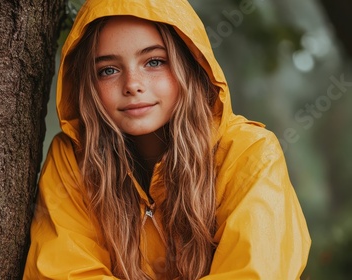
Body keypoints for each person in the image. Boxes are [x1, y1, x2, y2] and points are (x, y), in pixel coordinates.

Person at [24, 0, 311, 279]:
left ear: (190, 65)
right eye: (108, 70)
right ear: (87, 85)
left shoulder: (249, 153)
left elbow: (255, 273)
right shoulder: (73, 160)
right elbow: (61, 271)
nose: (133, 84)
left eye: (154, 62)